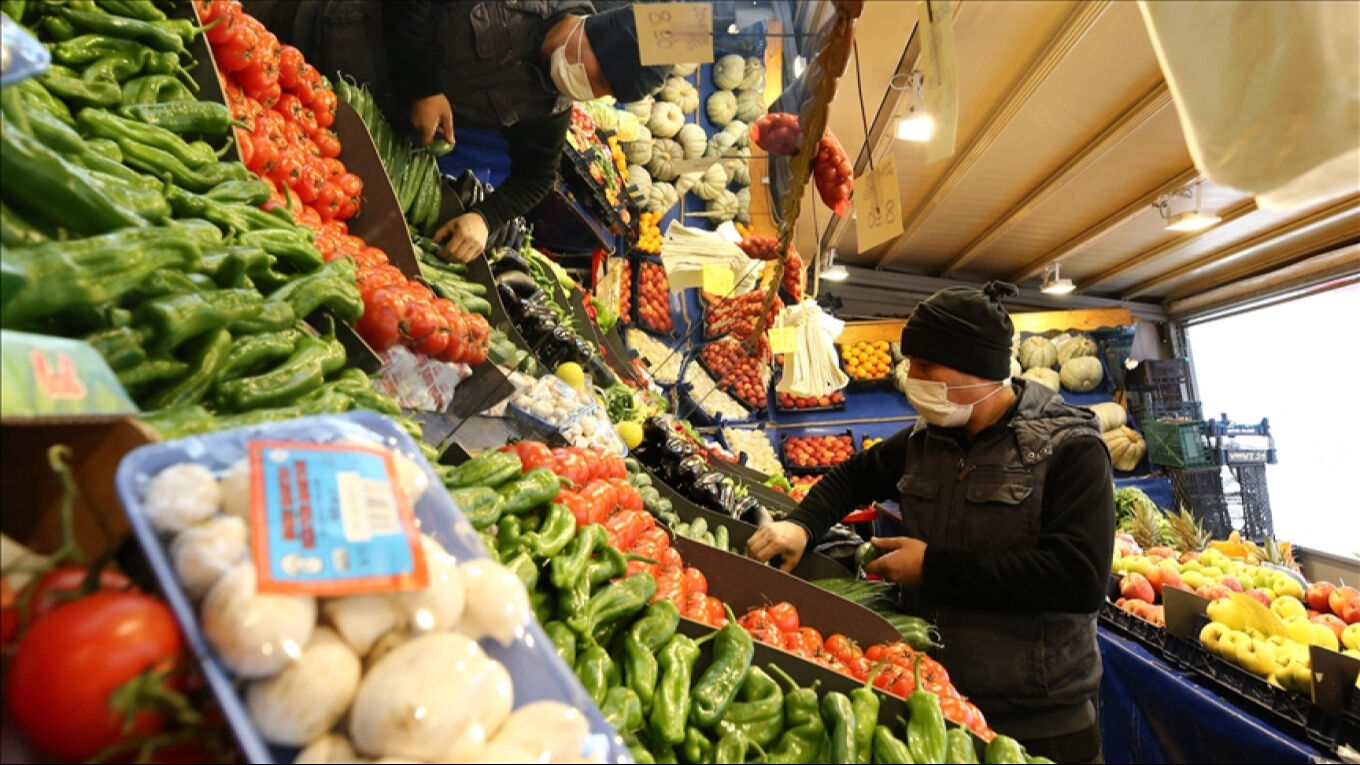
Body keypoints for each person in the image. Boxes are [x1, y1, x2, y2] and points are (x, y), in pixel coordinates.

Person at [749, 281, 1115, 764]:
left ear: (975, 369)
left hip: (1039, 719)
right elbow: (855, 476)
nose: (912, 377)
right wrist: (802, 525)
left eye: (925, 366)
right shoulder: (929, 438)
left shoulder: (1071, 448)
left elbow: (1079, 579)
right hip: (936, 703)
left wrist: (934, 568)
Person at [386, 2, 670, 263]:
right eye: (600, 78)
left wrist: (486, 218)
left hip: (373, 121)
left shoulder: (550, 104)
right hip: (354, 30)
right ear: (596, 32)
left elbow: (539, 176)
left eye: (603, 91)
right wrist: (423, 87)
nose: (590, 91)